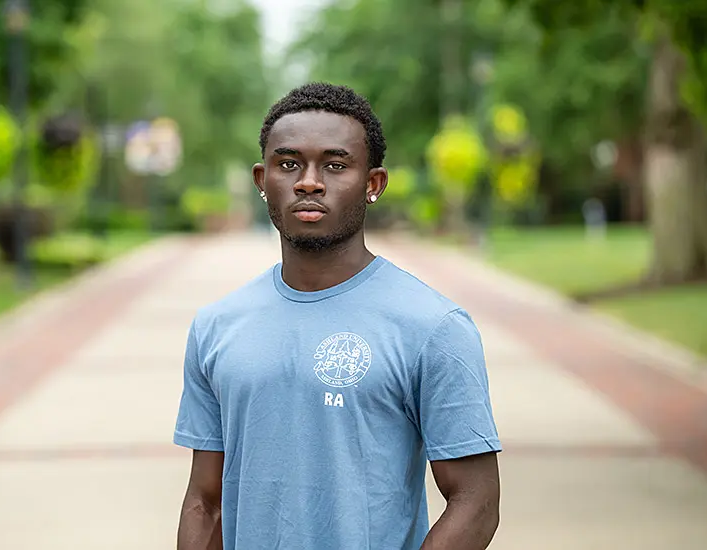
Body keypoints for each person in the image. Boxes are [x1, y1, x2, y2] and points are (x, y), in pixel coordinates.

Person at [174, 82, 502, 550]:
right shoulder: (217, 327)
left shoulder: (433, 327)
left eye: (335, 164)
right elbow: (205, 501)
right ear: (261, 180)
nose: (309, 181)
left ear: (373, 184)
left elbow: (476, 501)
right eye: (288, 164)